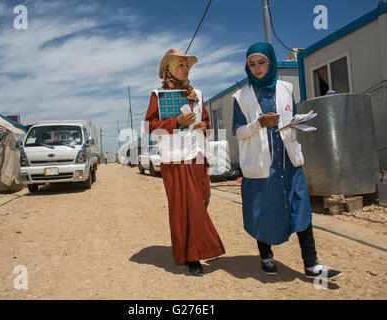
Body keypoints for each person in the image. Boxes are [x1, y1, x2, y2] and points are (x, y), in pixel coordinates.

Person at [232, 42, 342, 280]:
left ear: (271, 62)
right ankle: (266, 256)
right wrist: (258, 124)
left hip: (290, 163)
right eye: (252, 64)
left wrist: (294, 123)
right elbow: (238, 132)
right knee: (263, 210)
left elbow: (289, 117)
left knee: (301, 210)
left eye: (262, 62)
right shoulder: (241, 97)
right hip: (263, 167)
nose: (257, 68)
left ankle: (311, 265)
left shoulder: (286, 87)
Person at [145, 48, 225, 276]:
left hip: (198, 156)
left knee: (202, 201)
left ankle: (187, 247)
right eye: (180, 65)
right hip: (175, 158)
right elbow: (149, 126)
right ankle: (193, 255)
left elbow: (207, 122)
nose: (185, 68)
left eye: (187, 65)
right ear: (169, 68)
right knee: (186, 207)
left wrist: (203, 126)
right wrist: (176, 122)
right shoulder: (157, 95)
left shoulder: (197, 94)